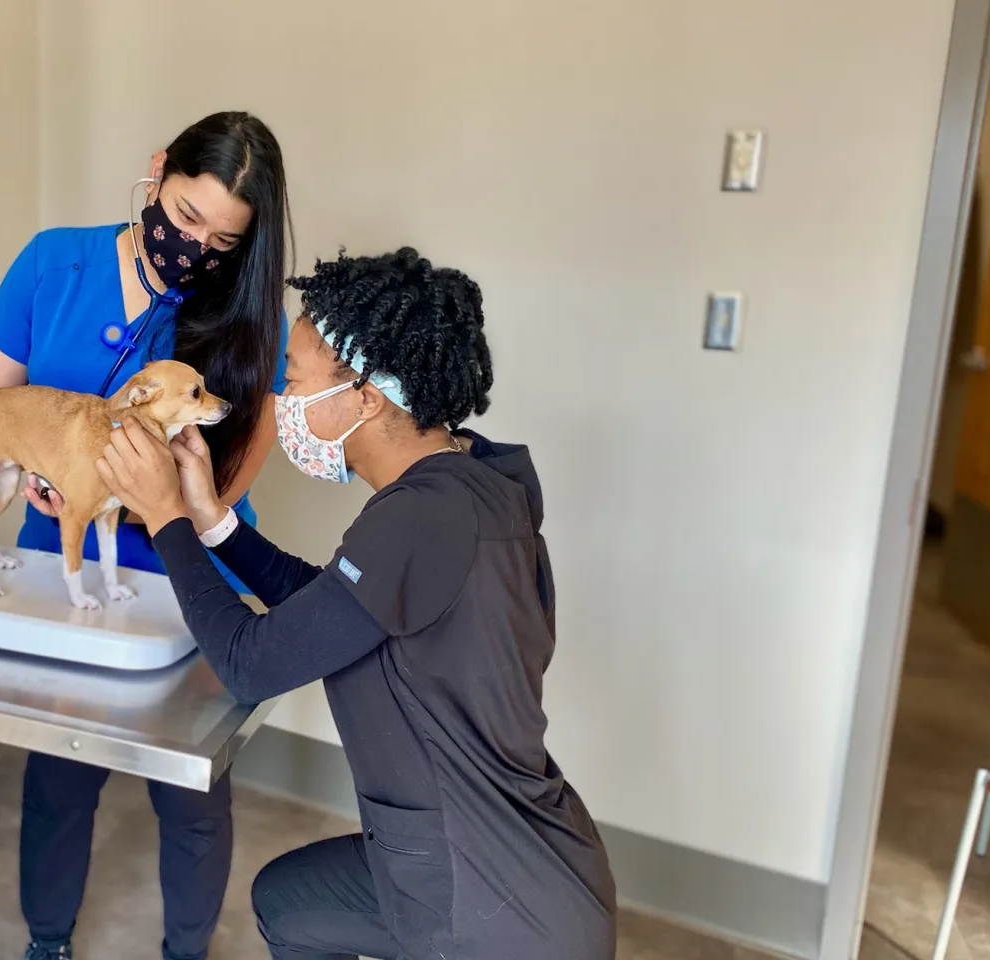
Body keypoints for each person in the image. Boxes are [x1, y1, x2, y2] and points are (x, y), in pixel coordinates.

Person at [95, 247, 618, 960]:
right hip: (475, 859)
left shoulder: (419, 520)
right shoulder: (468, 484)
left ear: (366, 397)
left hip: (491, 904)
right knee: (292, 903)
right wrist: (214, 520)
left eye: (295, 381)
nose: (281, 403)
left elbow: (251, 663)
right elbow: (338, 604)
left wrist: (165, 520)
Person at [0, 112, 291, 960]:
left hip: (193, 573)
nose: (198, 248)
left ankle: (186, 951)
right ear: (157, 174)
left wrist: (175, 505)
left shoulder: (244, 306)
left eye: (222, 240)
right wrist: (30, 473)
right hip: (63, 555)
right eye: (185, 218)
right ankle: (48, 943)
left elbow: (243, 453)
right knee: (61, 772)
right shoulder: (54, 263)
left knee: (191, 790)